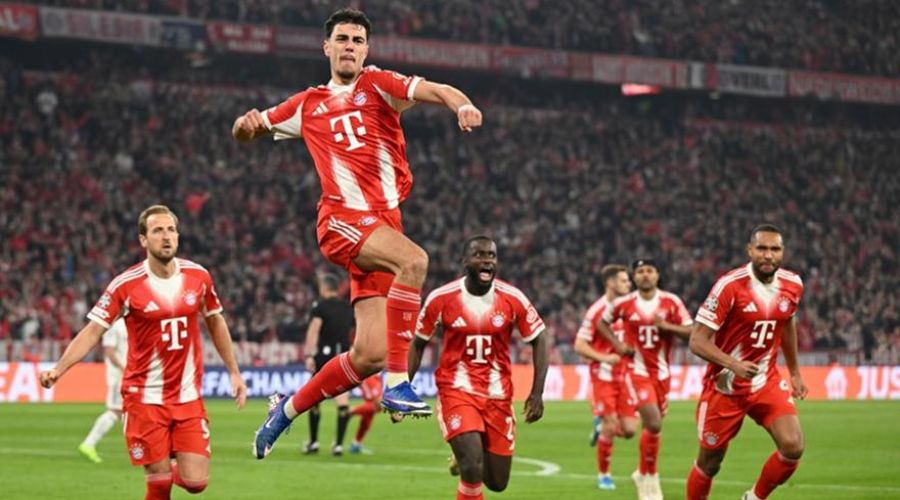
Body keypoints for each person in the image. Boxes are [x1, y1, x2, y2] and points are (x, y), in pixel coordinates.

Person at [232, 8, 483, 459]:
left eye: (358, 40)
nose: (350, 46)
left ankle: (285, 410)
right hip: (341, 220)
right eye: (342, 39)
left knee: (368, 355)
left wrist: (461, 104)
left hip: (383, 227)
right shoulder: (306, 104)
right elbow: (249, 131)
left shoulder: (380, 85)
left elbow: (438, 89)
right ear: (326, 47)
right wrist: (244, 126)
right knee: (415, 261)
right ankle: (399, 383)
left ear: (366, 50)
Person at [39, 205, 247, 500]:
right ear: (143, 240)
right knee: (159, 484)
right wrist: (58, 370)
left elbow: (215, 319)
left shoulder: (198, 276)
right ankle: (160, 469)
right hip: (144, 398)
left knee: (196, 482)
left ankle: (165, 465)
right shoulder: (125, 285)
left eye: (171, 230)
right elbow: (93, 331)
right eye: (158, 231)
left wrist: (234, 371)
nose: (166, 236)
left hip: (187, 395)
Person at [409, 236, 549, 500]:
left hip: (498, 395)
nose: (487, 261)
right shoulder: (442, 298)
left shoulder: (512, 298)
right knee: (472, 468)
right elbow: (417, 344)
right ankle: (465, 455)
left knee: (497, 482)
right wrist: (402, 389)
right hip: (457, 390)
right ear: (465, 261)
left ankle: (461, 455)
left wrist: (537, 392)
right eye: (479, 255)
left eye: (491, 256)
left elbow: (540, 338)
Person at [686, 225, 807, 500]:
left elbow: (787, 323)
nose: (768, 255)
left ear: (783, 252)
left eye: (774, 249)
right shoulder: (730, 286)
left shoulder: (793, 284)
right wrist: (733, 364)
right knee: (710, 463)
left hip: (766, 382)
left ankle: (753, 498)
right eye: (761, 248)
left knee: (793, 446)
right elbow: (697, 340)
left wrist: (795, 372)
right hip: (725, 388)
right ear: (750, 250)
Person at [598, 259, 693, 500]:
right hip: (636, 371)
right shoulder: (624, 303)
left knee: (653, 426)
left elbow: (691, 331)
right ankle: (650, 476)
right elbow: (602, 322)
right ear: (635, 277)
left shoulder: (671, 302)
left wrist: (667, 327)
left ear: (657, 275)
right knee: (653, 422)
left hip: (662, 374)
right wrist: (618, 345)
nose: (645, 275)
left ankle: (642, 472)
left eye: (649, 271)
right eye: (640, 272)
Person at [573, 264, 632, 490]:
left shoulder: (630, 307)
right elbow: (579, 345)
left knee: (629, 430)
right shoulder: (596, 310)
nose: (628, 284)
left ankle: (601, 426)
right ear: (610, 283)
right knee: (611, 424)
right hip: (604, 375)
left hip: (626, 375)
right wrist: (604, 358)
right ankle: (604, 475)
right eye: (624, 280)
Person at [302, 274, 355, 456]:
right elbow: (355, 331)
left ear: (324, 288)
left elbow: (314, 330)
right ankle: (338, 445)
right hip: (344, 357)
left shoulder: (320, 306)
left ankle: (314, 442)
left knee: (314, 398)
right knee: (342, 400)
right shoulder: (348, 307)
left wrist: (309, 355)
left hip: (324, 358)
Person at [78, 317, 128, 463]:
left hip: (131, 375)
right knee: (116, 411)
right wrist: (124, 369)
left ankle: (141, 448)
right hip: (119, 376)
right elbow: (109, 351)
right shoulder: (114, 326)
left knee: (130, 412)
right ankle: (88, 444)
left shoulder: (130, 323)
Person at [348, 374, 384, 454]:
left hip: (376, 376)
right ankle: (351, 411)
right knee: (374, 405)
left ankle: (356, 444)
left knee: (368, 417)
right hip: (370, 375)